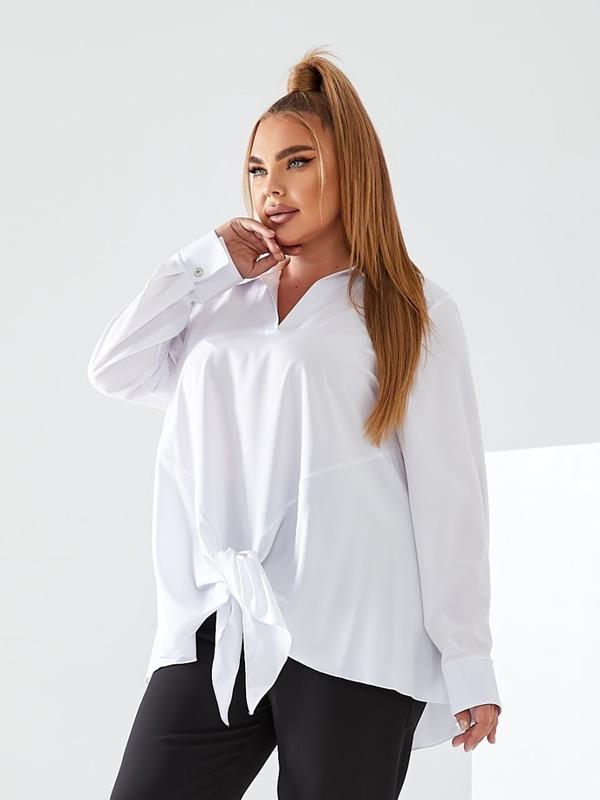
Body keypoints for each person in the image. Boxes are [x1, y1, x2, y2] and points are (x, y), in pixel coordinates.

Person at [88, 46, 502, 799]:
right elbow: (116, 369)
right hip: (225, 624)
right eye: (256, 169)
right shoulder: (221, 301)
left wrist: (468, 657)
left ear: (351, 171)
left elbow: (451, 498)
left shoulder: (409, 310)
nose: (271, 188)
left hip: (357, 634)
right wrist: (204, 263)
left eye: (297, 163)